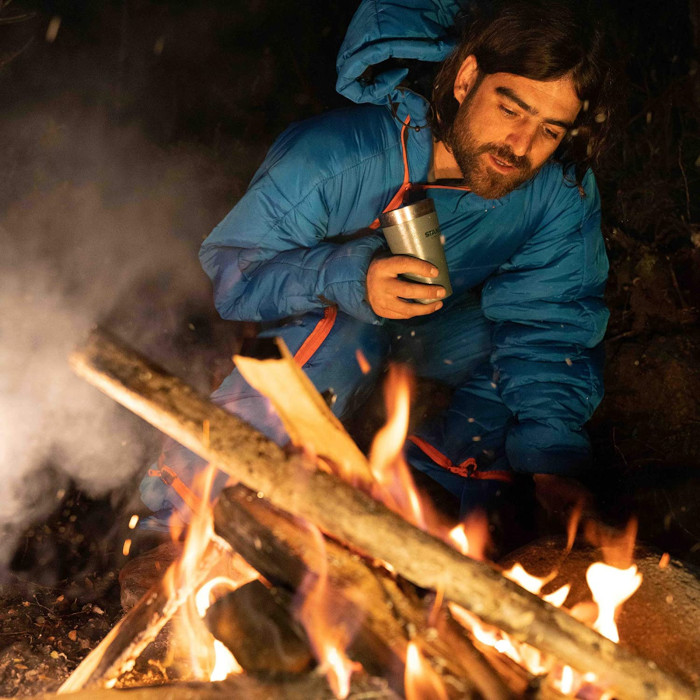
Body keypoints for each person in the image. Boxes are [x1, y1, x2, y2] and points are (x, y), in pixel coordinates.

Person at [140, 0, 618, 527]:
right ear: (466, 80)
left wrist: (553, 464)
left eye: (550, 130)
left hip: (430, 326)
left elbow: (551, 322)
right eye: (511, 109)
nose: (521, 146)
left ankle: (429, 498)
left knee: (509, 344)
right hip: (315, 330)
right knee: (343, 332)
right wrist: (352, 277)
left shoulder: (556, 190)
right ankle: (183, 508)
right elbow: (235, 275)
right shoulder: (334, 158)